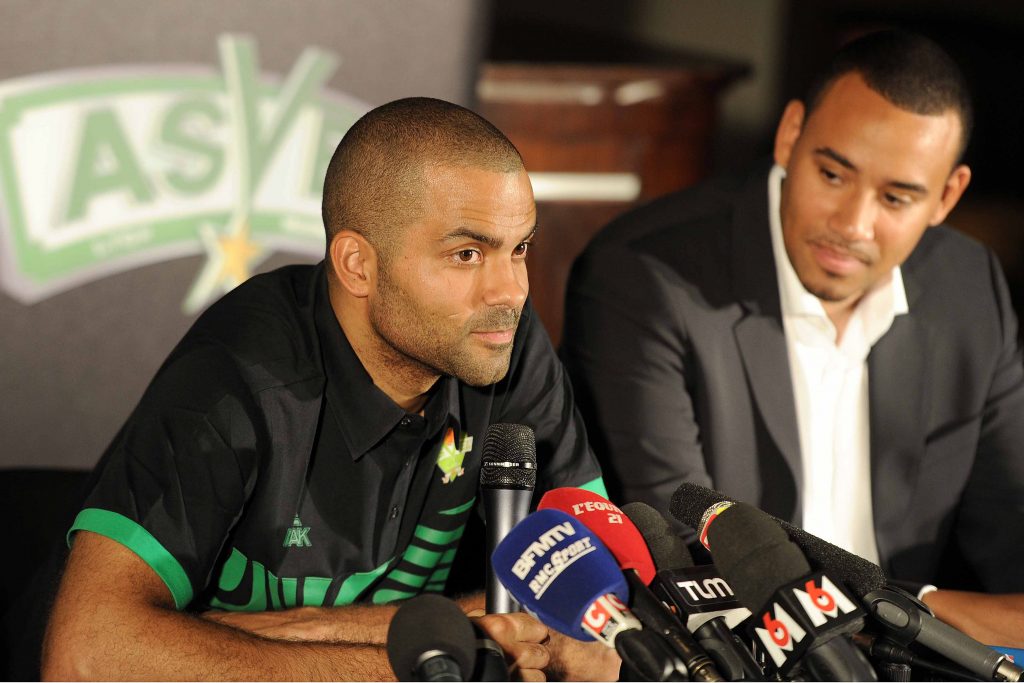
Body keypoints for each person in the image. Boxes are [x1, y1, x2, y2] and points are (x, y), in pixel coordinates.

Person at [41, 97, 619, 681]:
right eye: (467, 254)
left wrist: (298, 631)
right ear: (357, 265)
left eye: (519, 248)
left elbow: (603, 606)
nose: (511, 291)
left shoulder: (502, 345)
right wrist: (430, 649)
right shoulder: (237, 378)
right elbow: (84, 655)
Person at [563, 30, 1024, 646]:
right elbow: (690, 572)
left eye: (896, 197)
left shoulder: (968, 288)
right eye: (833, 174)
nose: (853, 224)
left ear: (946, 196)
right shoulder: (645, 278)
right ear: (790, 135)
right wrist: (914, 613)